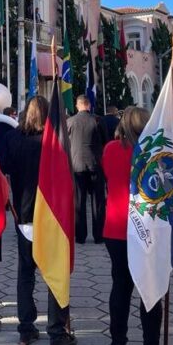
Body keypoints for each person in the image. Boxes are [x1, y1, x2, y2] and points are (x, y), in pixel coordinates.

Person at [1, 96, 76, 345]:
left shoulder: (12, 139)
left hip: (24, 216)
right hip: (50, 218)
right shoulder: (52, 142)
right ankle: (57, 332)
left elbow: (4, 165)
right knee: (54, 272)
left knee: (25, 274)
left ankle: (26, 329)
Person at [101, 106, 168, 345]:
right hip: (145, 227)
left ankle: (118, 344)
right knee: (149, 288)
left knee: (121, 285)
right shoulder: (152, 154)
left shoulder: (109, 149)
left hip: (116, 228)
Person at [66, 95, 108, 244]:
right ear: (88, 105)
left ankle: (80, 235)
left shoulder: (69, 122)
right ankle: (99, 235)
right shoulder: (97, 120)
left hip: (76, 166)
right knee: (98, 201)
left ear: (77, 106)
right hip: (95, 164)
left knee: (78, 202)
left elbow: (65, 144)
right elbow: (105, 142)